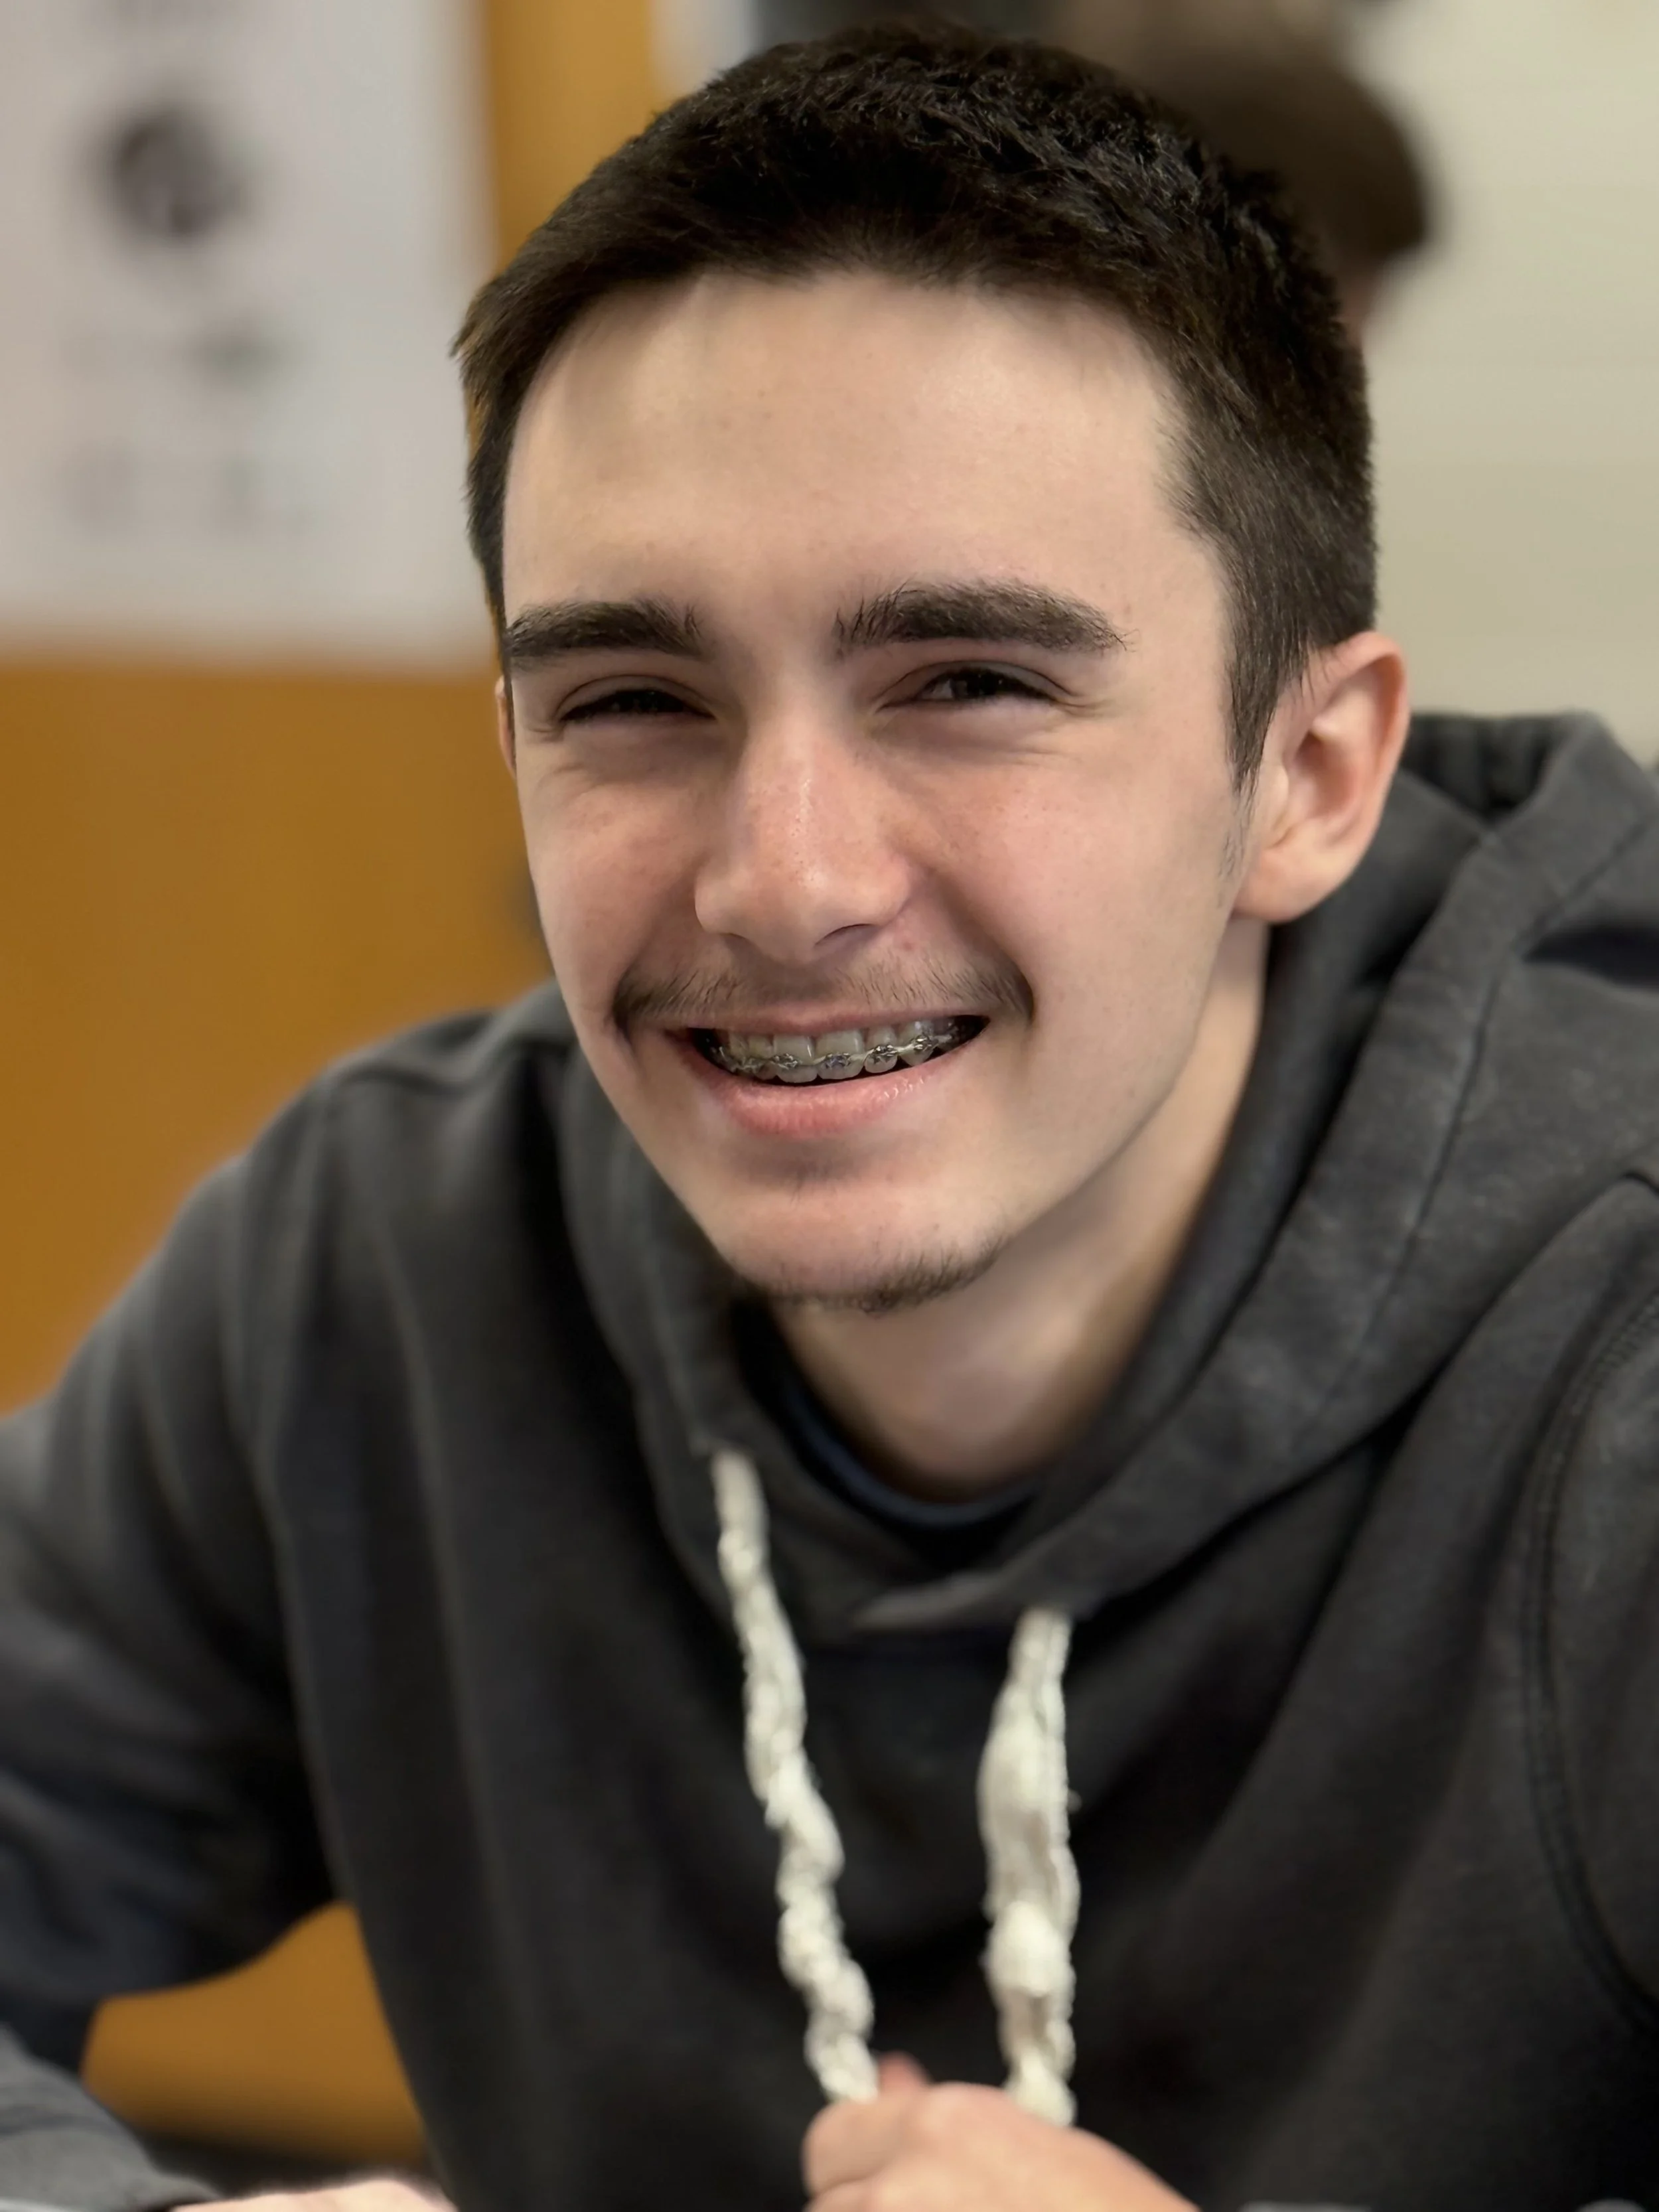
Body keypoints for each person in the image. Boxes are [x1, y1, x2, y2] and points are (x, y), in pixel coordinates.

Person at [1, 25, 1656, 2212]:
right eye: (628, 699)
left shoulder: (1609, 1370)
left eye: (968, 683)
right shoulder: (378, 1253)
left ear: (1307, 776)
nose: (781, 878)